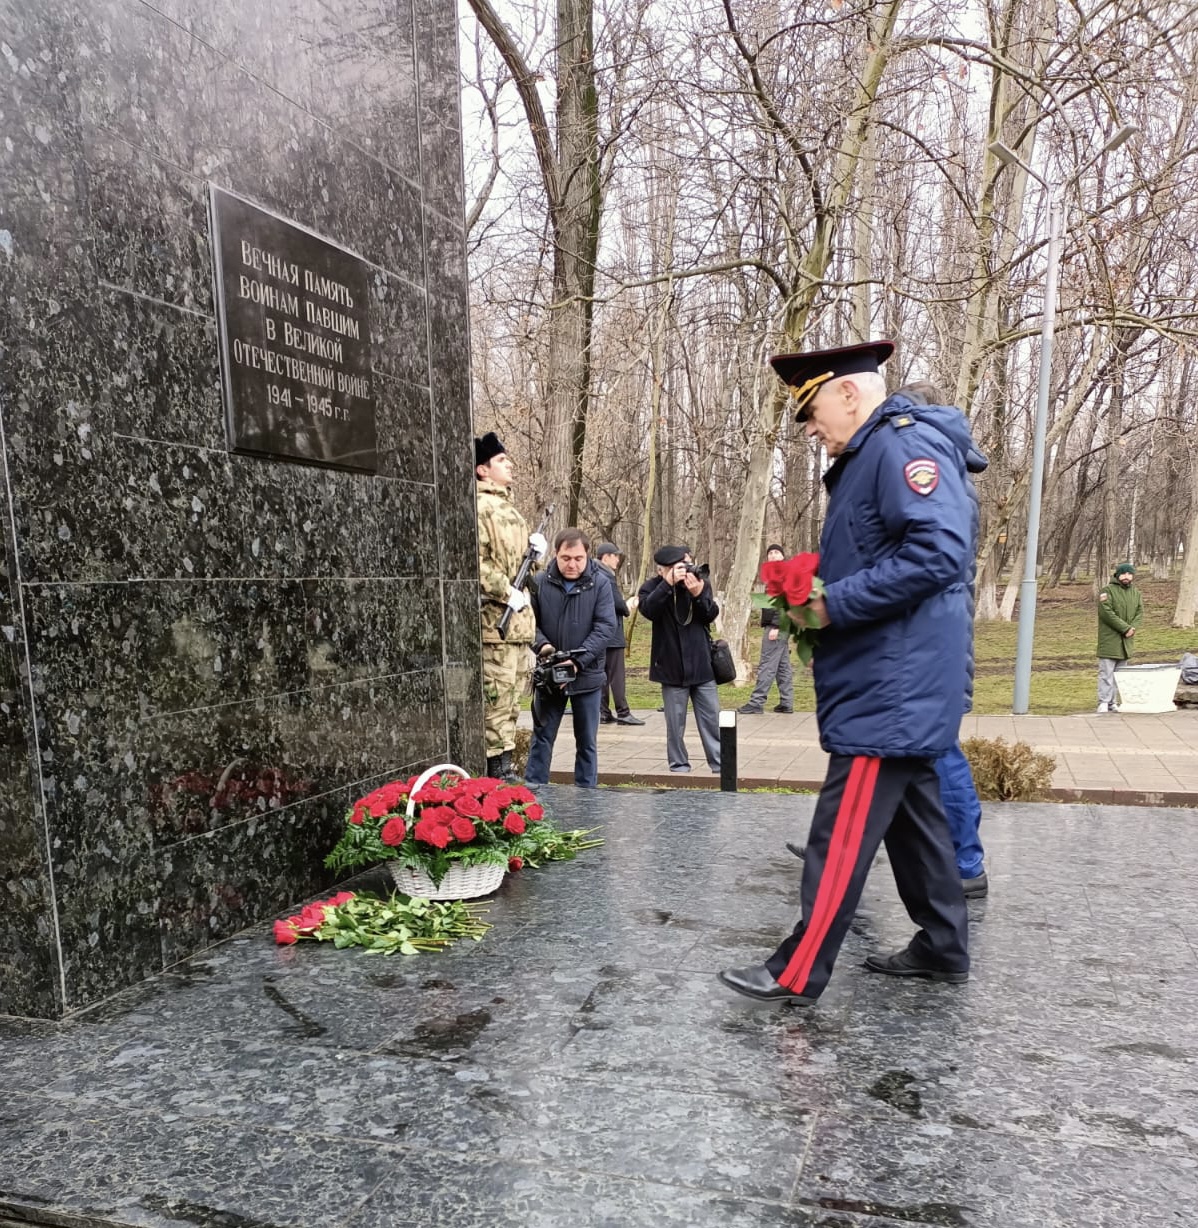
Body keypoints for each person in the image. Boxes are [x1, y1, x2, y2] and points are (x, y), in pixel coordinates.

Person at [719, 340, 976, 1005]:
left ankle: (797, 969)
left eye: (812, 411)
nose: (810, 429)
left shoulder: (897, 447)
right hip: (898, 675)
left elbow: (940, 552)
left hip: (892, 682)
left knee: (843, 827)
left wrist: (832, 605)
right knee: (916, 818)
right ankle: (943, 944)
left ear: (850, 394)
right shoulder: (874, 454)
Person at [475, 431, 547, 781]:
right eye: (502, 460)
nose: (510, 465)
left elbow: (518, 567)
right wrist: (506, 591)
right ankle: (494, 770)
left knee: (513, 703)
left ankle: (505, 766)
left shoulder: (511, 511)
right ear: (482, 470)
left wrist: (534, 556)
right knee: (496, 702)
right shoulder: (479, 507)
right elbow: (477, 563)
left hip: (518, 629)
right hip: (494, 626)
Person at [524, 529, 617, 788]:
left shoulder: (600, 583)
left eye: (578, 558)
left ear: (587, 555)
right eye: (566, 558)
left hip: (586, 675)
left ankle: (587, 797)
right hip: (549, 676)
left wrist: (577, 661)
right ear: (556, 554)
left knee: (586, 742)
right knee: (542, 738)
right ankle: (534, 794)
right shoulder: (540, 581)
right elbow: (528, 623)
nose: (572, 564)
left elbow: (605, 627)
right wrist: (543, 647)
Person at [637, 546, 721, 775]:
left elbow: (711, 615)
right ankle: (679, 766)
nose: (686, 571)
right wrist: (668, 585)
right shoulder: (652, 588)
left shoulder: (698, 583)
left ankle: (720, 765)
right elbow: (648, 610)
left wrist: (698, 594)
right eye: (679, 567)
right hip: (671, 667)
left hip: (702, 664)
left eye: (687, 564)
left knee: (712, 719)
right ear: (661, 570)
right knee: (675, 725)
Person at [738, 543, 796, 715]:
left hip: (777, 626)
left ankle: (756, 702)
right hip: (780, 626)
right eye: (770, 553)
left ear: (782, 556)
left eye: (776, 553)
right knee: (782, 665)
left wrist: (777, 626)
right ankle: (787, 702)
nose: (772, 555)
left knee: (767, 664)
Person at [594, 543, 644, 726]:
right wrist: (628, 606)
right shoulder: (606, 576)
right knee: (616, 674)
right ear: (605, 557)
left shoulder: (593, 573)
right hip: (612, 633)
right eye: (615, 556)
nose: (617, 559)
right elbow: (616, 603)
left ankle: (604, 712)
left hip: (599, 633)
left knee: (603, 674)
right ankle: (623, 712)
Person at [1096, 562, 1143, 713]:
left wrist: (1133, 628)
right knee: (1106, 674)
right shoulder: (1107, 591)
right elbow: (1106, 613)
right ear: (1117, 575)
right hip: (1110, 640)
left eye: (1129, 574)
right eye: (1123, 574)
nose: (1126, 577)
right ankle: (1104, 701)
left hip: (1126, 642)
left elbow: (1139, 612)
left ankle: (1113, 702)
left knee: (1120, 675)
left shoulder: (1136, 593)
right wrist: (1125, 628)